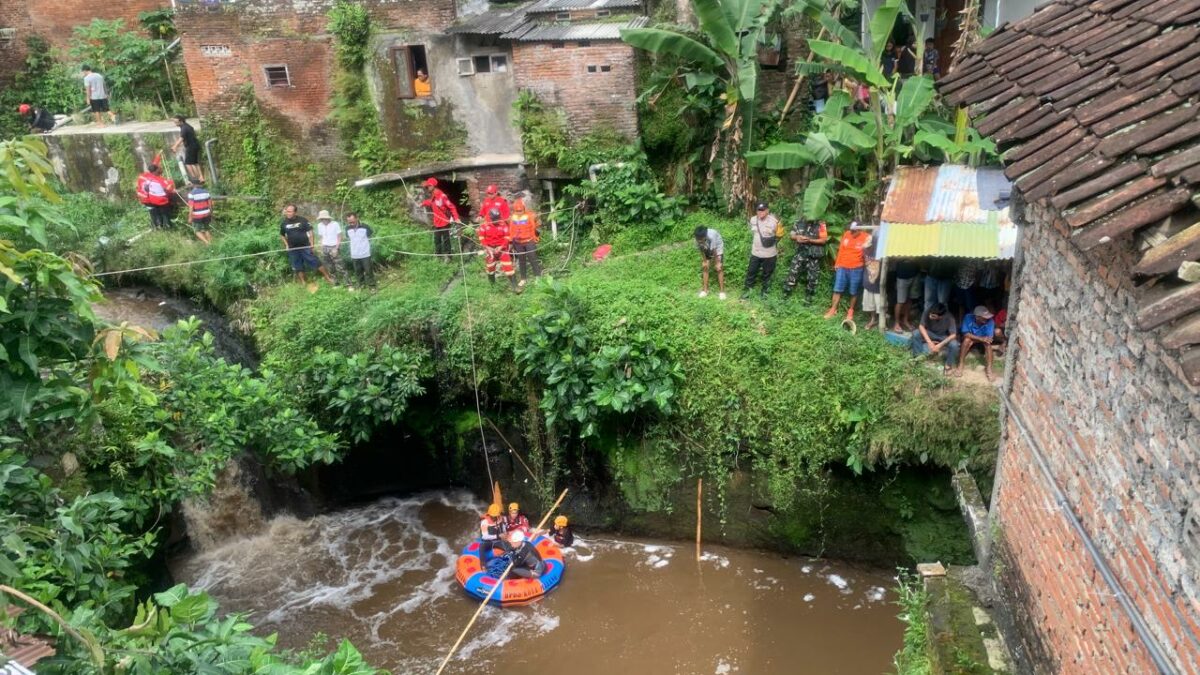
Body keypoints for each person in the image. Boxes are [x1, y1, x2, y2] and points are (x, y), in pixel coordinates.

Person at [824, 222, 871, 320]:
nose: (852, 232)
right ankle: (833, 309)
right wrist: (837, 263)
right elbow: (841, 249)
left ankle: (850, 311)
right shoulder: (846, 234)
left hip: (857, 268)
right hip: (842, 266)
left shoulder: (866, 237)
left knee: (853, 291)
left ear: (860, 230)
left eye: (854, 231)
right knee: (837, 289)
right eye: (851, 230)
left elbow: (870, 251)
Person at [279, 204, 335, 285]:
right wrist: (287, 245)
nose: (288, 213)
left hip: (305, 246)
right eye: (287, 211)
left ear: (295, 212)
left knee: (315, 261)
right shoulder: (284, 223)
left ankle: (327, 277)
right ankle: (303, 282)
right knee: (298, 265)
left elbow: (310, 231)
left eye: (290, 212)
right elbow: (282, 235)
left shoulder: (302, 220)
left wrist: (312, 244)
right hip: (293, 249)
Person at [742, 201, 784, 300]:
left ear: (767, 210)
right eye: (758, 210)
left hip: (769, 254)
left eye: (763, 210)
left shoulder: (775, 221)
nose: (760, 212)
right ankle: (747, 292)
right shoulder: (753, 220)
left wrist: (772, 242)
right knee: (751, 272)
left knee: (767, 274)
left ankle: (765, 293)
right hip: (755, 253)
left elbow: (780, 235)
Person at [782, 217, 827, 302]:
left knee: (813, 278)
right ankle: (786, 294)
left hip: (813, 255)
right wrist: (797, 238)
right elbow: (791, 235)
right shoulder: (798, 221)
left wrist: (810, 240)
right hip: (800, 253)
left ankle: (809, 297)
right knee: (792, 273)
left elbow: (824, 240)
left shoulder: (821, 223)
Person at [909, 302, 959, 374]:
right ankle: (918, 358)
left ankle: (948, 365)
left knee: (954, 344)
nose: (930, 316)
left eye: (933, 316)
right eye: (930, 314)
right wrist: (929, 342)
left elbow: (953, 335)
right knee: (916, 333)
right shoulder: (928, 311)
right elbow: (921, 326)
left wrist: (939, 345)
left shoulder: (949, 317)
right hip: (930, 333)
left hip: (943, 336)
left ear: (941, 316)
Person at [421, 177, 460, 262]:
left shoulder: (442, 196)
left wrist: (456, 218)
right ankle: (438, 255)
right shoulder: (433, 195)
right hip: (436, 222)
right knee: (437, 240)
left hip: (444, 222)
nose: (427, 188)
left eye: (428, 186)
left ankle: (448, 257)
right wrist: (422, 203)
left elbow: (452, 207)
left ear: (433, 186)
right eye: (427, 186)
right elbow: (430, 202)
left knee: (446, 240)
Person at [478, 208, 517, 290]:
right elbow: (481, 238)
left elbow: (507, 237)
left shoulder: (503, 224)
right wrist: (487, 248)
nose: (497, 221)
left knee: (508, 267)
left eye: (498, 219)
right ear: (491, 217)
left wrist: (501, 247)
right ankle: (493, 287)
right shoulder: (484, 226)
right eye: (495, 219)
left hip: (502, 250)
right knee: (490, 268)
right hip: (490, 250)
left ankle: (515, 287)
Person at [958, 305, 997, 381]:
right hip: (973, 338)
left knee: (988, 344)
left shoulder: (990, 321)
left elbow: (989, 338)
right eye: (984, 317)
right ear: (977, 317)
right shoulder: (968, 318)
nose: (987, 318)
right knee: (966, 340)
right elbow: (965, 333)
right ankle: (961, 363)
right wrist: (979, 338)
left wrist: (983, 339)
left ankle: (989, 369)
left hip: (983, 339)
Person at [508, 199, 541, 286]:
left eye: (521, 210)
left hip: (529, 241)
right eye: (517, 211)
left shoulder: (530, 215)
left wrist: (536, 236)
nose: (519, 212)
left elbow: (538, 226)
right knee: (521, 260)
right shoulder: (512, 218)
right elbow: (511, 230)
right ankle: (523, 278)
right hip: (518, 243)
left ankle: (538, 277)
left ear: (524, 209)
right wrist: (511, 242)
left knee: (533, 259)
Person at [135, 164, 175, 229]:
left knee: (153, 213)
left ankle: (157, 226)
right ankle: (167, 226)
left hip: (144, 198)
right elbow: (169, 189)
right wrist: (171, 182)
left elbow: (154, 163)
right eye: (159, 168)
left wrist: (158, 155)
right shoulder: (160, 179)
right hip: (157, 200)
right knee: (164, 213)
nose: (161, 169)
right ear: (156, 171)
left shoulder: (144, 176)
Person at [315, 210, 347, 287]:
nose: (323, 220)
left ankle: (348, 284)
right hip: (325, 247)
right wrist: (321, 247)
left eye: (324, 218)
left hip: (334, 247)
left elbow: (339, 236)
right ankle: (336, 284)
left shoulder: (335, 224)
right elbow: (321, 237)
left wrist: (337, 247)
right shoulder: (320, 225)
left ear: (328, 218)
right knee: (330, 267)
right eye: (321, 219)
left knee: (340, 267)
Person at [694, 226, 726, 299]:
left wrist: (718, 263)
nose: (698, 241)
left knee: (719, 268)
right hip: (706, 246)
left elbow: (714, 250)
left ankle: (722, 291)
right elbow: (701, 249)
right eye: (697, 240)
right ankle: (705, 290)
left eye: (700, 240)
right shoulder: (697, 238)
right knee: (705, 267)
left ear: (705, 236)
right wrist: (705, 261)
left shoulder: (712, 235)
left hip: (717, 247)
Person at [346, 213, 376, 290]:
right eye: (349, 222)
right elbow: (348, 238)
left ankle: (372, 286)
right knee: (358, 271)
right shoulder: (347, 228)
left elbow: (370, 235)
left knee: (368, 270)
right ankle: (361, 284)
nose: (351, 224)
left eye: (352, 221)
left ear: (357, 218)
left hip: (365, 253)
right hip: (354, 254)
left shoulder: (365, 227)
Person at [170, 115, 204, 183]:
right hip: (195, 145)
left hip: (191, 147)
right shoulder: (187, 126)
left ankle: (195, 179)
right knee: (195, 163)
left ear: (181, 121)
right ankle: (201, 177)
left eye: (176, 122)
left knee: (188, 163)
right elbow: (188, 137)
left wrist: (175, 146)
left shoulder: (184, 128)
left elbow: (181, 138)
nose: (175, 124)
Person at [861, 235, 884, 330]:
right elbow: (866, 263)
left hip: (878, 283)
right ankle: (873, 319)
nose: (867, 247)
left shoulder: (880, 251)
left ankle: (882, 321)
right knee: (870, 303)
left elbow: (879, 266)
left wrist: (874, 277)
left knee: (880, 304)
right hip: (868, 280)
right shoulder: (865, 250)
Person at [892, 259, 919, 332]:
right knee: (900, 301)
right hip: (902, 276)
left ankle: (905, 320)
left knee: (910, 299)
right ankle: (896, 323)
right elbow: (895, 257)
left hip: (914, 274)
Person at [185, 180, 213, 245]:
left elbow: (191, 207)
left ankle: (207, 243)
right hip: (207, 214)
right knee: (206, 229)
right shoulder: (206, 192)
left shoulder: (191, 194)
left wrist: (190, 217)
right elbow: (210, 204)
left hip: (197, 215)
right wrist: (211, 213)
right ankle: (211, 244)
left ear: (193, 184)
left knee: (197, 231)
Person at [953, 259, 979, 324]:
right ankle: (961, 324)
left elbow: (979, 270)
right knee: (961, 304)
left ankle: (971, 325)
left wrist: (976, 282)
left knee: (971, 306)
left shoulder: (976, 257)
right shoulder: (960, 255)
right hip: (959, 283)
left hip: (970, 283)